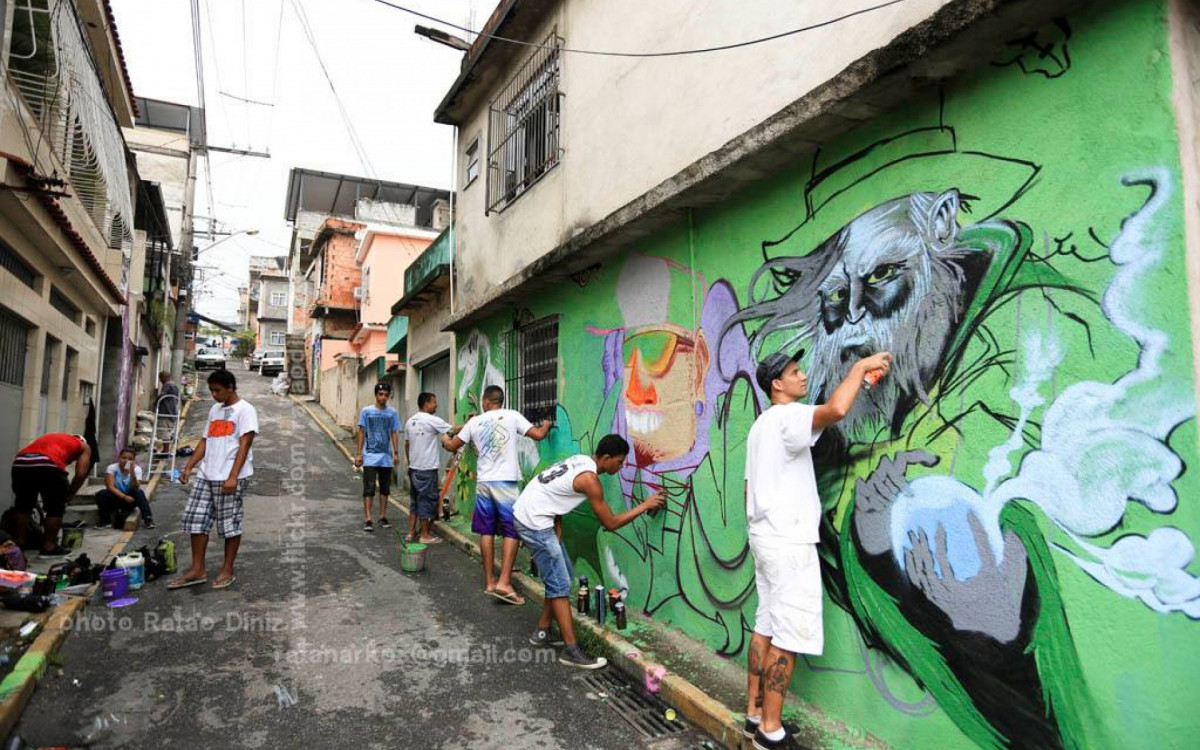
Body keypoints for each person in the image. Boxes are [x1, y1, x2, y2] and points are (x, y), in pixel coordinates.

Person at [742, 348, 891, 750]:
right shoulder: (789, 417)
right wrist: (860, 368)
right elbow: (837, 410)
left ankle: (753, 713)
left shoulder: (760, 428)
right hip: (789, 542)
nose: (803, 375)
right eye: (795, 372)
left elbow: (747, 488)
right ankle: (769, 731)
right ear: (777, 384)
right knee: (787, 637)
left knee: (766, 626)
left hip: (764, 537)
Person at [515, 434, 665, 669]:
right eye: (619, 461)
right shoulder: (590, 480)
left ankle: (542, 630)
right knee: (560, 585)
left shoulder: (580, 460)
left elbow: (552, 489)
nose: (621, 466)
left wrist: (557, 522)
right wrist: (645, 505)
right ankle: (571, 651)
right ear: (606, 458)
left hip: (532, 515)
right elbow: (611, 523)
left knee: (561, 576)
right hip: (534, 523)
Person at [441, 385, 553, 605]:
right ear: (500, 400)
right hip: (507, 482)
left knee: (487, 531)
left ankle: (491, 582)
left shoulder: (475, 422)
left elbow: (452, 445)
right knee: (512, 531)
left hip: (484, 482)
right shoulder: (512, 416)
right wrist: (547, 424)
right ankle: (504, 582)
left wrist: (446, 438)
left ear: (485, 401)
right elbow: (538, 435)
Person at [169, 369, 258, 591]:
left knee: (229, 525)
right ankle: (198, 569)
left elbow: (245, 444)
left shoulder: (246, 410)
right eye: (211, 390)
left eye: (217, 390)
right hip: (207, 473)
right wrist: (189, 466)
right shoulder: (214, 409)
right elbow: (205, 440)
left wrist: (233, 476)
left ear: (231, 387)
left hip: (229, 476)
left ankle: (227, 569)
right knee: (196, 519)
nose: (214, 395)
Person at [10, 432, 91, 557]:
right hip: (48, 463)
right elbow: (81, 474)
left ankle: (19, 543)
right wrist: (69, 494)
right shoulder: (83, 446)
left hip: (21, 461)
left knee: (23, 505)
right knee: (55, 508)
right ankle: (49, 547)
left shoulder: (54, 437)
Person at [404, 392, 457, 544]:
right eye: (434, 402)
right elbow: (452, 429)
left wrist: (410, 463)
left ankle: (411, 532)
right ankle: (425, 535)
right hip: (427, 469)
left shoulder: (410, 421)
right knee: (426, 501)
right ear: (426, 404)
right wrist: (469, 425)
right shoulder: (431, 420)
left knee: (415, 501)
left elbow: (407, 445)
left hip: (414, 468)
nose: (436, 405)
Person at [355, 382, 402, 533]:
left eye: (386, 395)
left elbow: (394, 432)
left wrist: (395, 453)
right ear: (376, 395)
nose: (383, 397)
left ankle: (382, 516)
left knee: (385, 489)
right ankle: (368, 518)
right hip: (369, 456)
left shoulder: (392, 413)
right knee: (369, 488)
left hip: (385, 458)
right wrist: (359, 454)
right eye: (381, 394)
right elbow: (361, 432)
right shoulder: (366, 411)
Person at [96, 447, 154, 529]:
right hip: (117, 497)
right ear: (119, 458)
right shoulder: (112, 468)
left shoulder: (137, 469)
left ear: (134, 461)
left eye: (130, 459)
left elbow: (136, 486)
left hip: (130, 500)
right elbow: (110, 487)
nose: (126, 461)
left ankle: (148, 518)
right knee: (101, 494)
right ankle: (105, 521)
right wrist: (124, 497)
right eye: (123, 458)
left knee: (139, 492)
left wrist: (132, 474)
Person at [156, 371, 180, 455]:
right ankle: (167, 450)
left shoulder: (167, 385)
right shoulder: (174, 385)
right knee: (168, 431)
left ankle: (165, 451)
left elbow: (162, 396)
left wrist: (156, 402)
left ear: (164, 377)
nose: (160, 380)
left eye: (160, 378)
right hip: (172, 412)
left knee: (164, 431)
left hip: (166, 411)